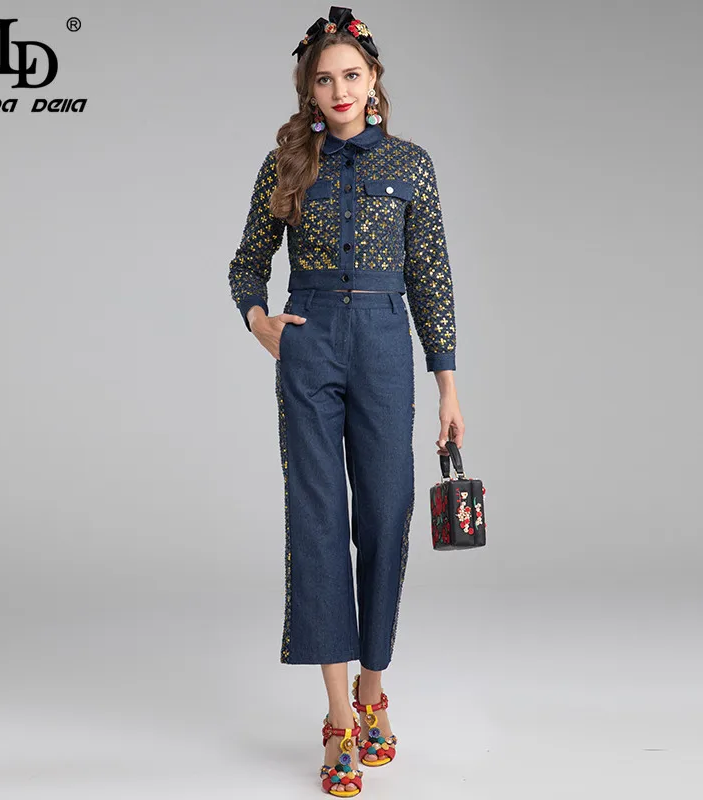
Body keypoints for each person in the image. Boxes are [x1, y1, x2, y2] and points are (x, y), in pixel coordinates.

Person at [227, 6, 465, 795]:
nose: (339, 90)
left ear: (374, 79)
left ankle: (372, 689)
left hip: (385, 342)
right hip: (312, 340)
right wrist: (262, 323)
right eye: (324, 79)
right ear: (309, 88)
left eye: (351, 75)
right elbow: (246, 264)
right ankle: (336, 719)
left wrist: (448, 384)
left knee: (387, 513)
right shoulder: (286, 166)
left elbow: (431, 275)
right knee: (319, 521)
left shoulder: (411, 163)